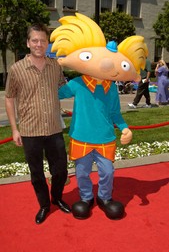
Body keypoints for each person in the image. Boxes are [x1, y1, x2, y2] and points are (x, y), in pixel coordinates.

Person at [50, 13, 148, 220]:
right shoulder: (77, 83)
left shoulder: (111, 88)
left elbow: (114, 112)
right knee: (82, 173)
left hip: (104, 138)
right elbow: (56, 94)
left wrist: (124, 127)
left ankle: (104, 197)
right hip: (81, 137)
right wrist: (50, 76)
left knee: (108, 172)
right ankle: (86, 198)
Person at [5, 23, 71, 224]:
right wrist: (15, 129)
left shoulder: (55, 67)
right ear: (28, 43)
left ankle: (57, 197)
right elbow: (9, 98)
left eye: (43, 40)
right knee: (36, 173)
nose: (39, 44)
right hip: (29, 130)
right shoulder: (16, 69)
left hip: (53, 128)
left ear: (47, 43)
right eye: (35, 40)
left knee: (60, 169)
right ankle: (44, 205)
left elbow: (66, 89)